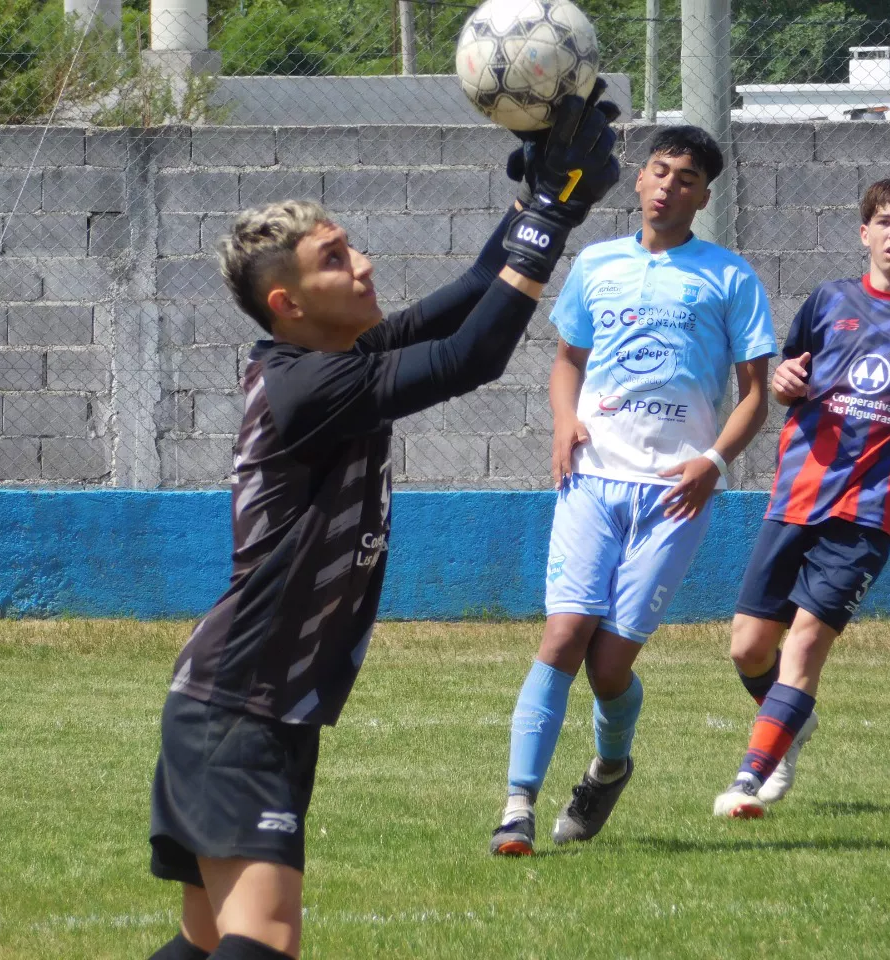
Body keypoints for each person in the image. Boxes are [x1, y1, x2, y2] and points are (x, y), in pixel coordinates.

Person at [144, 90, 621, 960]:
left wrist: (549, 202)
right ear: (287, 302)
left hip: (246, 701)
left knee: (209, 940)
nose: (363, 265)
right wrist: (549, 217)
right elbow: (469, 356)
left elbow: (473, 295)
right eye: (336, 260)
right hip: (243, 703)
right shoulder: (305, 385)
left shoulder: (329, 357)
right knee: (265, 938)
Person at [489, 125, 778, 856]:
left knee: (610, 666)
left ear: (702, 195)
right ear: (640, 178)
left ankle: (610, 766)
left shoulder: (730, 277)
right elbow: (565, 360)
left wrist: (712, 460)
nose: (666, 186)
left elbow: (755, 395)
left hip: (674, 493)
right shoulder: (596, 263)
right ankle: (516, 807)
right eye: (657, 170)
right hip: (590, 479)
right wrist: (563, 424)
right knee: (563, 635)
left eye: (684, 177)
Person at [714, 178, 890, 820]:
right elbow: (792, 372)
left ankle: (750, 776)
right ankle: (789, 723)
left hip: (870, 510)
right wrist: (788, 379)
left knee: (807, 642)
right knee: (748, 647)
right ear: (864, 231)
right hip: (795, 495)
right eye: (885, 220)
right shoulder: (827, 301)